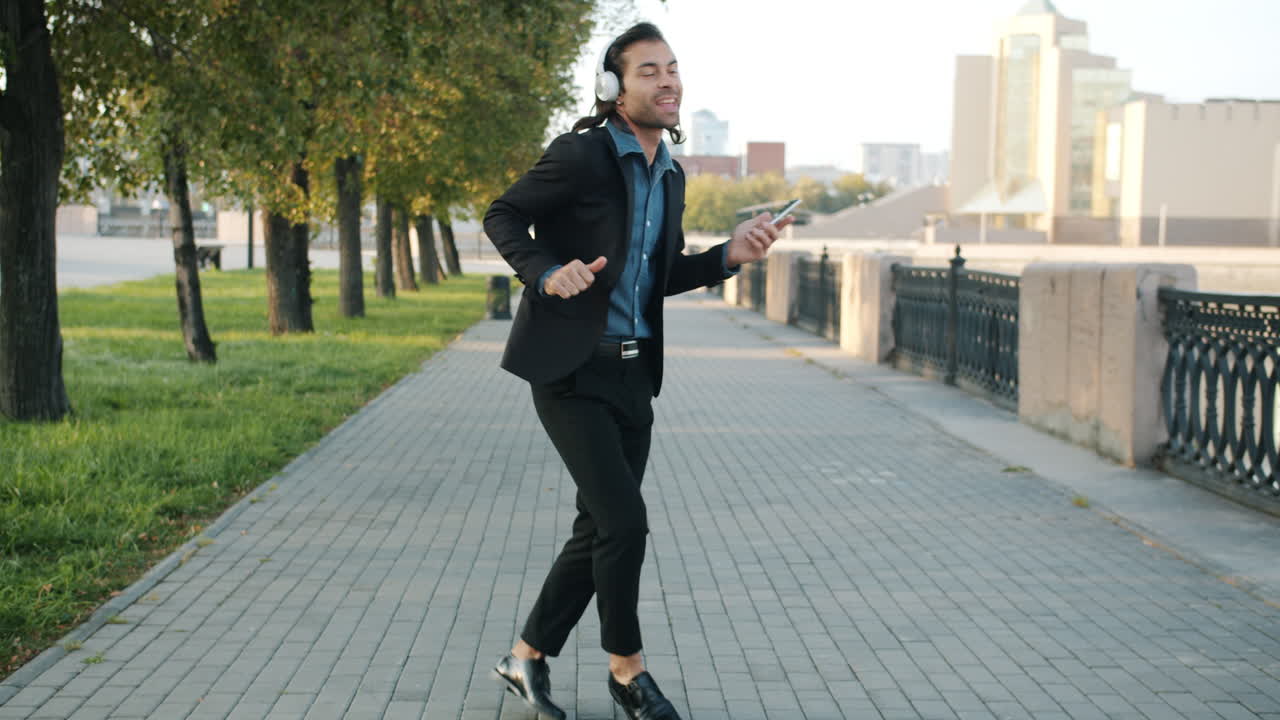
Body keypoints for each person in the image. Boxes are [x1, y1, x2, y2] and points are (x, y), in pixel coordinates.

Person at [484, 22, 792, 720]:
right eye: (649, 70)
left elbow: (661, 275)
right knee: (626, 523)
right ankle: (628, 672)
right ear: (613, 89)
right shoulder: (582, 155)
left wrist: (728, 256)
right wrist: (542, 273)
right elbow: (502, 213)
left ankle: (525, 657)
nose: (668, 80)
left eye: (673, 68)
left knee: (598, 528)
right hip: (569, 372)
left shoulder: (671, 173)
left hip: (633, 376)